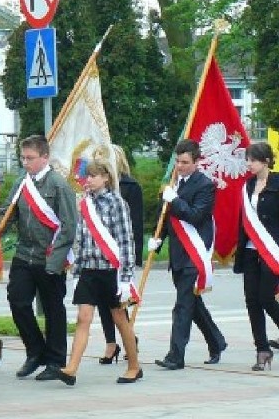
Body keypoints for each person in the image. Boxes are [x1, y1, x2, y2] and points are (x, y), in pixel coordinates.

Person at [57, 158, 142, 386]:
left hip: (111, 271)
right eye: (88, 176)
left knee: (119, 319)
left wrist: (125, 279)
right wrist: (76, 274)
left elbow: (126, 242)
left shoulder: (117, 203)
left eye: (94, 175)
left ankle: (134, 366)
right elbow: (81, 240)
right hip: (89, 270)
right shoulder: (84, 203)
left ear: (106, 177)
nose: (90, 180)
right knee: (83, 318)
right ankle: (71, 369)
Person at [3, 134, 76, 381]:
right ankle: (35, 351)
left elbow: (68, 225)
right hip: (24, 254)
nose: (26, 162)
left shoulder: (58, 185)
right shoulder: (21, 183)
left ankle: (56, 360)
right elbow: (8, 214)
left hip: (49, 257)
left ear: (45, 157)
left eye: (30, 158)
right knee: (17, 301)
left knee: (53, 309)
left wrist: (56, 262)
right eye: (22, 158)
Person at [151, 138, 227, 370]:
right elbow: (167, 216)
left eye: (185, 162)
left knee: (183, 306)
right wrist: (158, 239)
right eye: (178, 161)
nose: (180, 166)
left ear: (196, 161)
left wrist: (176, 200)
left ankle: (176, 356)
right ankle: (217, 341)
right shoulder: (174, 183)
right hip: (177, 255)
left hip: (194, 255)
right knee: (193, 304)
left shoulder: (204, 186)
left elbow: (195, 216)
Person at [96, 144, 143, 363]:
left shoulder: (130, 186)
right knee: (102, 301)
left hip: (120, 252)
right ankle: (111, 343)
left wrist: (135, 258)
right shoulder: (94, 189)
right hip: (99, 253)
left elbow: (136, 225)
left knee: (118, 302)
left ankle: (128, 339)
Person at [234, 142, 279, 371]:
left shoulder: (277, 183)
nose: (249, 164)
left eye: (252, 160)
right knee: (251, 300)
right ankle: (262, 349)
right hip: (250, 251)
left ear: (266, 161)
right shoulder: (248, 186)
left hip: (272, 250)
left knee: (266, 298)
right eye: (248, 160)